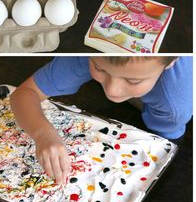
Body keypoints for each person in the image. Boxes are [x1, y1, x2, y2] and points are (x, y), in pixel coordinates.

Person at [10, 56, 192, 184]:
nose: (112, 91)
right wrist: (43, 134)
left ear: (171, 61)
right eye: (99, 68)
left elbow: (164, 145)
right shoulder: (91, 53)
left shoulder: (174, 104)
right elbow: (25, 93)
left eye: (133, 81)